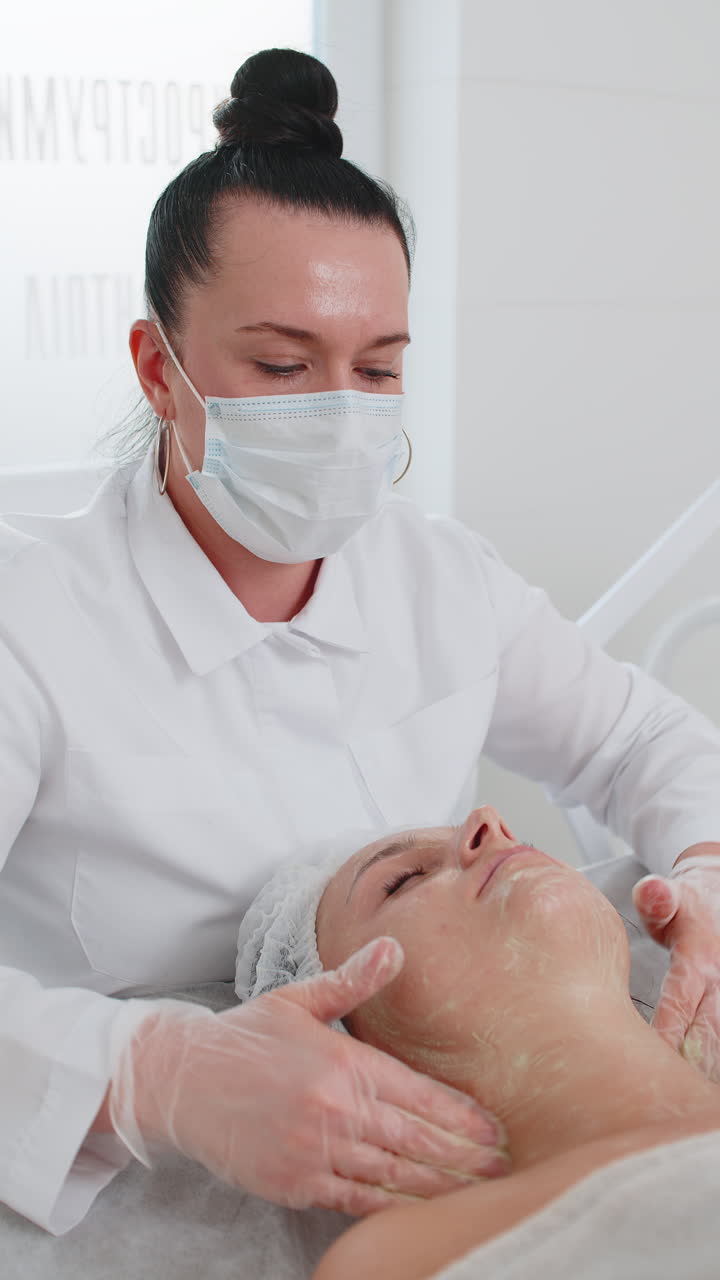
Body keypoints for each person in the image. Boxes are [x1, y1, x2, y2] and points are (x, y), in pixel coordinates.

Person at [1, 45, 720, 1238]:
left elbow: (641, 736)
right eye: (283, 365)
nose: (339, 409)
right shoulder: (33, 625)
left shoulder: (437, 579)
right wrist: (150, 1073)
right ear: (158, 368)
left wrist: (705, 863)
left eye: (377, 369)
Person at [233, 806, 720, 1280]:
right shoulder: (401, 1260)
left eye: (524, 840)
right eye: (402, 881)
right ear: (353, 1061)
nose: (489, 820)